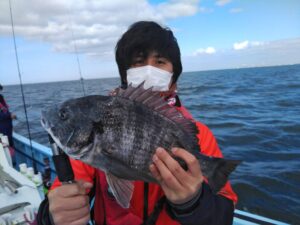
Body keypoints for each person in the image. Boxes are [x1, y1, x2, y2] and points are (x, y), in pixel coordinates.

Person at [37, 21, 237, 225]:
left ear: (173, 76)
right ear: (125, 74)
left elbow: (223, 215)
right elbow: (63, 195)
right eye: (138, 62)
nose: (149, 70)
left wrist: (193, 202)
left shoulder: (200, 135)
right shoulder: (92, 132)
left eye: (160, 62)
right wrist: (51, 216)